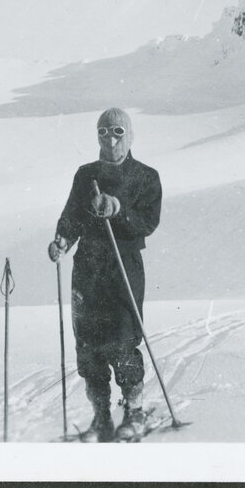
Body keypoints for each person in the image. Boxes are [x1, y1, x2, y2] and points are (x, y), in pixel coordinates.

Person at [48, 107, 163, 442]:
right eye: (103, 132)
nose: (110, 139)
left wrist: (119, 210)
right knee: (89, 345)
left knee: (123, 340)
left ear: (129, 135)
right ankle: (101, 417)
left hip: (123, 266)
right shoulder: (86, 175)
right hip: (88, 267)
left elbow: (148, 222)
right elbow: (72, 216)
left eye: (117, 132)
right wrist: (62, 241)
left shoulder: (146, 176)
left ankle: (134, 412)